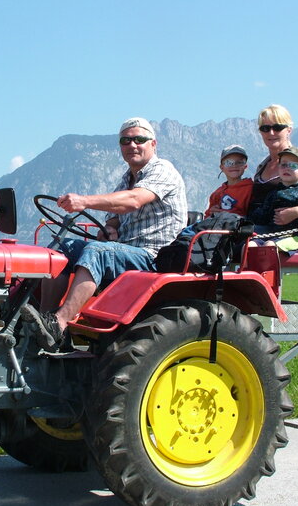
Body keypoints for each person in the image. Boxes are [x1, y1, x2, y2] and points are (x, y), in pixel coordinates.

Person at [22, 117, 188, 351]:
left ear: (153, 143)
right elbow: (116, 213)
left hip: (153, 255)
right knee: (61, 247)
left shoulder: (162, 170)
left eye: (139, 139)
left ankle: (59, 323)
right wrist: (111, 227)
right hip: (127, 249)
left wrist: (84, 201)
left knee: (97, 252)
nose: (132, 145)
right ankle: (45, 319)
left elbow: (133, 200)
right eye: (126, 140)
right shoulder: (127, 177)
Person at [250, 104, 298, 224]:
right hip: (256, 225)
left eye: (278, 127)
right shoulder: (262, 166)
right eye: (265, 128)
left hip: (287, 233)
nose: (271, 133)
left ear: (289, 130)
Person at [205, 144, 253, 217]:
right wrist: (212, 213)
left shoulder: (251, 189)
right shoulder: (217, 194)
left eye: (239, 162)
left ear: (245, 166)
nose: (234, 165)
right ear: (222, 167)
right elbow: (207, 217)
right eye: (228, 163)